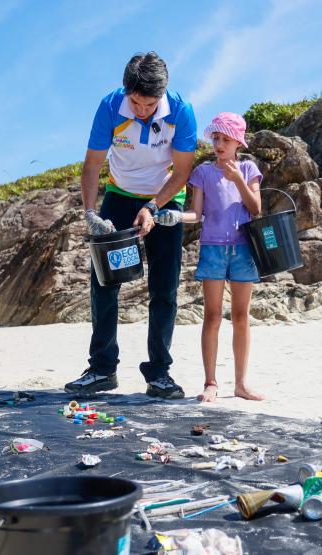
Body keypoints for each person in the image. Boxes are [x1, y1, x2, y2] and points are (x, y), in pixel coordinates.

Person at [64, 52, 196, 399]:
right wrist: (90, 212)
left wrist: (153, 207)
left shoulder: (181, 111)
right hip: (119, 196)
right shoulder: (110, 106)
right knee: (104, 283)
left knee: (164, 289)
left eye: (149, 103)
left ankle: (159, 373)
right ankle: (102, 368)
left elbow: (182, 173)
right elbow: (92, 166)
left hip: (165, 199)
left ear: (162, 95)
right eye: (135, 102)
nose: (141, 110)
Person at [154, 113, 265, 402]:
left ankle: (240, 384)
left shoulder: (248, 168)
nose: (219, 143)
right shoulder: (203, 172)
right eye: (216, 138)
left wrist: (238, 179)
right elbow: (197, 213)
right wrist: (176, 215)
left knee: (241, 317)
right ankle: (211, 382)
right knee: (212, 316)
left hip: (243, 250)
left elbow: (256, 209)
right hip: (212, 250)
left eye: (226, 139)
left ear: (238, 142)